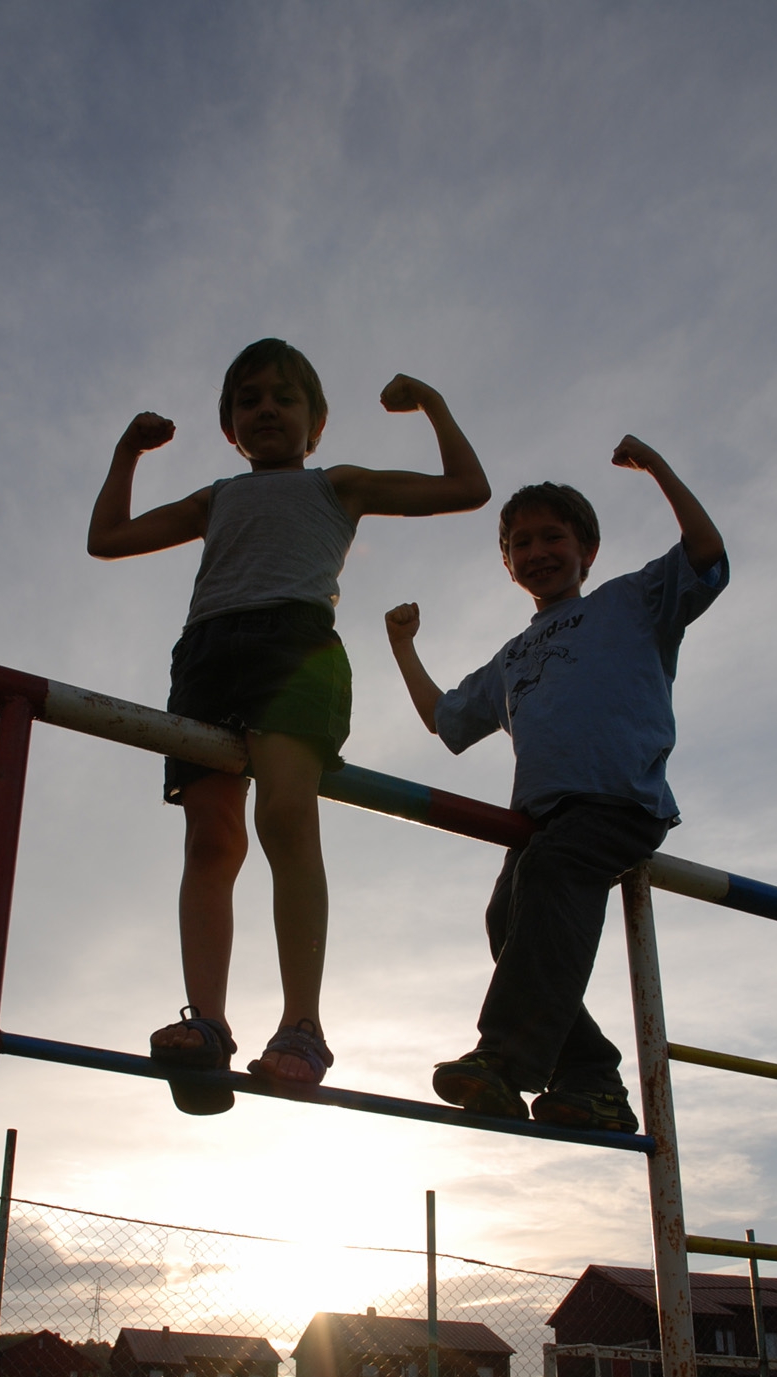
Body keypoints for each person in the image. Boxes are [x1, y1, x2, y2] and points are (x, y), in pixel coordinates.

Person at [89, 338, 489, 1109]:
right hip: (209, 653)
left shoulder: (337, 485)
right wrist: (125, 452)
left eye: (284, 397)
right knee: (211, 838)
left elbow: (466, 487)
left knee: (285, 816)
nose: (266, 408)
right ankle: (206, 1021)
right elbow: (107, 539)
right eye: (249, 401)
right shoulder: (215, 498)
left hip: (294, 648)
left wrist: (431, 403)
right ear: (231, 428)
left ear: (317, 422)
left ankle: (301, 1026)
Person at [385, 437, 726, 1131]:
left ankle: (504, 1062)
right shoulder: (513, 656)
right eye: (520, 543)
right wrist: (403, 646)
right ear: (508, 565)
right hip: (543, 820)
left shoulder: (632, 600)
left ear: (586, 549)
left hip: (617, 800)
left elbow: (706, 552)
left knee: (551, 873)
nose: (537, 550)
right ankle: (591, 1079)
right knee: (505, 919)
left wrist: (658, 468)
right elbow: (447, 718)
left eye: (552, 536)